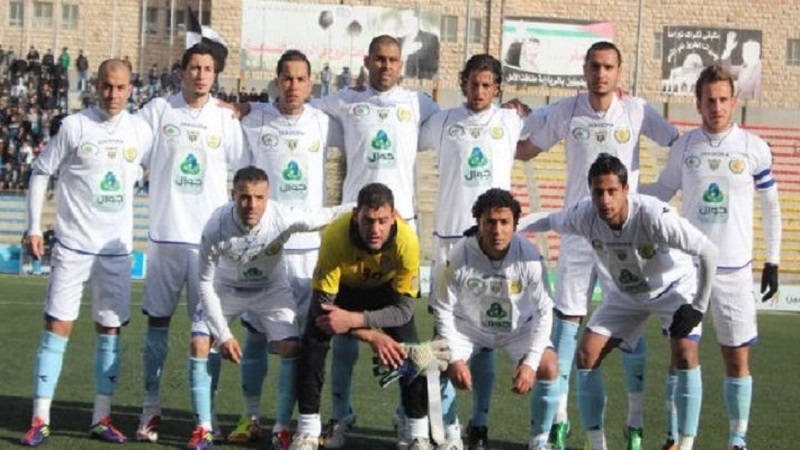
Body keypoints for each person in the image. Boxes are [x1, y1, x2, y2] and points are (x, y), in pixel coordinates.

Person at [511, 41, 680, 450]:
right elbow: (526, 151)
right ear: (584, 70)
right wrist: (499, 123)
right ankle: (560, 421)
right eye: (594, 66)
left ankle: (634, 425)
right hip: (579, 234)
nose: (600, 74)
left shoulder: (637, 110)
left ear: (618, 71)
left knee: (631, 329)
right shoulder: (567, 110)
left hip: (626, 238)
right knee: (567, 326)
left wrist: (657, 191)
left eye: (607, 67)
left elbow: (678, 143)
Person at [520, 153, 718, 450]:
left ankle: (684, 445)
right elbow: (548, 219)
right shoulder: (584, 214)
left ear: (626, 190)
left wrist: (699, 307)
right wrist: (512, 226)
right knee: (586, 355)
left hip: (674, 288)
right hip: (627, 294)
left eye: (612, 191)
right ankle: (598, 445)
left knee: (686, 354)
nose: (605, 200)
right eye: (598, 192)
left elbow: (708, 250)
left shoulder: (654, 215)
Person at [640, 65, 781, 450]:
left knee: (736, 359)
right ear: (698, 103)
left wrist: (772, 260)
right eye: (709, 100)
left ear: (733, 102)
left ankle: (737, 438)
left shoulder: (754, 148)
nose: (716, 107)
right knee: (682, 353)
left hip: (734, 271)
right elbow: (662, 191)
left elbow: (771, 207)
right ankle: (677, 438)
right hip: (687, 269)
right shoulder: (685, 147)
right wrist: (623, 189)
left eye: (722, 100)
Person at [311, 35, 439, 448]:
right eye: (379, 59)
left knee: (406, 339)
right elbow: (299, 111)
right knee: (343, 345)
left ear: (402, 64)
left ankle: (408, 419)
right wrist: (248, 108)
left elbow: (459, 122)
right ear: (367, 61)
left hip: (399, 237)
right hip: (353, 234)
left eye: (392, 60)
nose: (385, 66)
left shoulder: (419, 104)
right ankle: (340, 415)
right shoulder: (344, 100)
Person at [20, 58, 153, 447]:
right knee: (58, 327)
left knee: (109, 331)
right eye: (107, 86)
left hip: (115, 251)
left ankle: (101, 418)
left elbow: (149, 170)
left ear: (131, 89)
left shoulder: (140, 131)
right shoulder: (74, 126)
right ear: (96, 86)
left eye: (121, 87)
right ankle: (40, 419)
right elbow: (41, 171)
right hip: (73, 246)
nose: (113, 94)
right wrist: (34, 226)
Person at [134, 42, 249, 449]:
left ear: (215, 75)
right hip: (165, 239)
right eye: (194, 68)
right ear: (182, 72)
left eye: (207, 69)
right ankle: (150, 407)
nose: (200, 75)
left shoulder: (224, 118)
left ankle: (207, 414)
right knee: (157, 325)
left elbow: (247, 170)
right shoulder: (158, 110)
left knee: (209, 333)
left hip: (208, 247)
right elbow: (130, 152)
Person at [418, 53, 536, 449]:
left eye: (487, 85)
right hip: (452, 242)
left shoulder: (511, 119)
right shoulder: (442, 122)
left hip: (494, 243)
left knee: (487, 335)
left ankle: (479, 423)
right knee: (443, 339)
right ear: (463, 82)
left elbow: (552, 125)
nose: (479, 91)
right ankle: (444, 426)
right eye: (473, 83)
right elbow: (403, 134)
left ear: (498, 88)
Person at [192, 165, 351, 450]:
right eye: (244, 197)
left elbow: (325, 216)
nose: (252, 205)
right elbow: (204, 283)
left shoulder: (281, 217)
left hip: (271, 290)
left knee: (291, 346)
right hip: (226, 289)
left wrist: (361, 206)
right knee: (199, 342)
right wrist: (224, 335)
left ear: (268, 197)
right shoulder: (216, 226)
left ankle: (281, 428)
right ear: (233, 194)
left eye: (259, 197)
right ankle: (204, 428)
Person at [236, 49, 341, 449]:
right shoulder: (254, 119)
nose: (293, 85)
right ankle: (250, 417)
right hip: (265, 248)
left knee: (296, 343)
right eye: (287, 78)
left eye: (300, 79)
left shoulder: (323, 123)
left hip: (309, 249)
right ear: (276, 81)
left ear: (310, 84)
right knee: (254, 334)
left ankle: (283, 423)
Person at [291, 182, 436, 450]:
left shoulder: (407, 240)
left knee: (415, 353)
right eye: (368, 220)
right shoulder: (335, 235)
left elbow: (404, 311)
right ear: (356, 214)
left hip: (386, 292)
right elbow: (324, 312)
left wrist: (356, 322)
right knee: (313, 344)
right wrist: (372, 336)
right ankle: (308, 430)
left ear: (393, 216)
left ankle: (417, 434)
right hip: (343, 292)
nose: (375, 229)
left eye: (382, 221)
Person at [432, 188, 559, 450]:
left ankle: (539, 440)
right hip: (469, 328)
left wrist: (531, 363)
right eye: (490, 222)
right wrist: (454, 358)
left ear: (515, 224)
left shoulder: (529, 255)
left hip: (517, 330)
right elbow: (442, 307)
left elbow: (545, 310)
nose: (497, 230)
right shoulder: (459, 254)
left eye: (504, 222)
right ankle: (451, 435)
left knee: (548, 365)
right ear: (478, 223)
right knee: (436, 361)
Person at [392, 9, 440, 79]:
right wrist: (404, 53)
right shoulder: (397, 41)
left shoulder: (430, 39)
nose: (404, 24)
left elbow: (432, 69)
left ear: (416, 20)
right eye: (403, 21)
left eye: (407, 20)